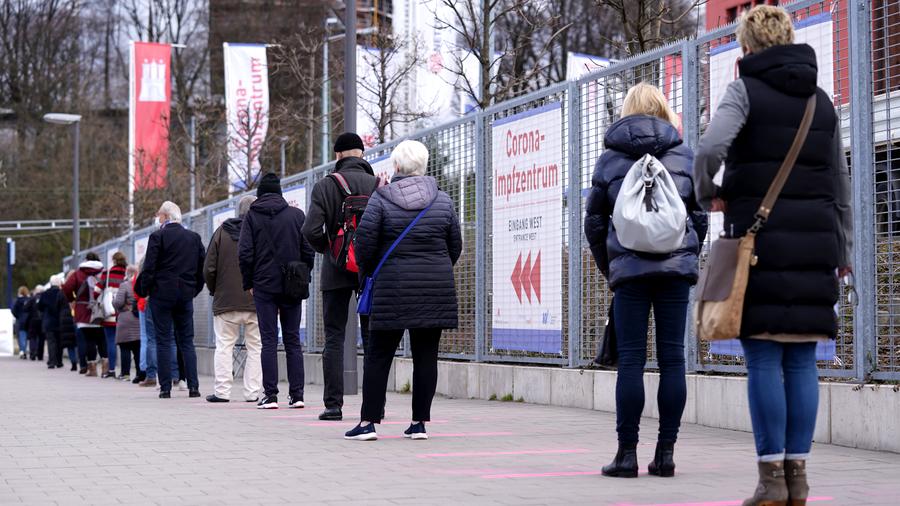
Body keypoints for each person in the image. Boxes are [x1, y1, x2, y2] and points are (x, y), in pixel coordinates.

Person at [693, 6, 852, 505]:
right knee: (803, 358)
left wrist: (708, 192)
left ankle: (770, 482)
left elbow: (707, 150)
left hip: (757, 245)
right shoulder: (822, 103)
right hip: (816, 246)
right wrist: (842, 249)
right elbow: (840, 184)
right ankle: (798, 480)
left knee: (763, 355)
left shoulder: (744, 91)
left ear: (746, 47)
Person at [584, 83, 707, 477]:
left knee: (632, 362)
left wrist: (612, 267)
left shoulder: (609, 160)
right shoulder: (685, 156)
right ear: (664, 110)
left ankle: (626, 455)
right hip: (674, 273)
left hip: (630, 275)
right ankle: (666, 454)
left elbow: (594, 222)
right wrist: (685, 253)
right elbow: (699, 217)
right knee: (673, 359)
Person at [344, 140, 462, 441]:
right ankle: (419, 424)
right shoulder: (444, 201)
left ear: (396, 166)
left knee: (379, 355)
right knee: (426, 356)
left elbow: (365, 246)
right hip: (434, 288)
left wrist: (372, 274)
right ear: (423, 166)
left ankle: (369, 423)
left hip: (392, 288)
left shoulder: (381, 200)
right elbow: (454, 247)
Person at [302, 132, 379, 421]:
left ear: (337, 156)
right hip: (370, 270)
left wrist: (331, 252)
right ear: (361, 153)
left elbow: (310, 230)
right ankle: (374, 405)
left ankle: (333, 405)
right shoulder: (378, 185)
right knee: (373, 338)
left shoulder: (325, 186)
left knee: (334, 337)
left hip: (335, 270)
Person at [239, 173, 315, 410]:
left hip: (263, 286)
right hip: (292, 285)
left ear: (260, 194)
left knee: (268, 340)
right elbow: (308, 250)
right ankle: (297, 395)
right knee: (293, 340)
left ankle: (270, 395)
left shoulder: (251, 217)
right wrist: (302, 274)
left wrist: (248, 282)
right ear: (280, 193)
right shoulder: (296, 215)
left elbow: (244, 253)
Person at [137, 201, 206, 399]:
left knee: (163, 340)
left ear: (166, 216)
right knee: (186, 341)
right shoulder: (193, 238)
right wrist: (194, 289)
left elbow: (149, 268)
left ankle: (166, 387)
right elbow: (201, 269)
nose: (158, 219)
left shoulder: (157, 237)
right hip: (185, 295)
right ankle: (194, 386)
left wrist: (146, 290)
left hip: (161, 295)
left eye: (159, 215)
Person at [205, 195, 262, 403]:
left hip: (226, 300)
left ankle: (222, 392)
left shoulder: (221, 232)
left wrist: (215, 290)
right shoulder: (260, 232)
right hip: (256, 300)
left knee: (224, 345)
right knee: (255, 347)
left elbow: (209, 267)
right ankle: (252, 392)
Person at [62, 253, 108, 376]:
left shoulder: (78, 273)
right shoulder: (104, 272)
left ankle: (92, 368)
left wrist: (72, 299)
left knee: (89, 340)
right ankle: (105, 368)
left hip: (83, 311)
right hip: (101, 310)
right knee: (102, 339)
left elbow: (66, 287)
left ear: (86, 260)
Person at [95, 252, 128, 378]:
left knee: (110, 341)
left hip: (109, 312)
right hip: (124, 313)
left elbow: (97, 290)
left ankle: (112, 369)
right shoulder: (126, 273)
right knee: (125, 344)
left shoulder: (107, 273)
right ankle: (125, 372)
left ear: (113, 260)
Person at [113, 265, 143, 382]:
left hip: (125, 320)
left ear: (128, 273)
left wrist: (113, 300)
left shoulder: (124, 285)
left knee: (125, 347)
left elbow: (118, 303)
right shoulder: (139, 284)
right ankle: (140, 373)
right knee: (137, 348)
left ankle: (125, 374)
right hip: (138, 319)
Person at [136, 259, 159, 387]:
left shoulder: (145, 263)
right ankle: (174, 375)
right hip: (166, 299)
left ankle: (149, 373)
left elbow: (137, 288)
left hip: (146, 302)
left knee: (148, 338)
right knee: (170, 339)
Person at [38, 275, 63, 369]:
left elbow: (39, 307)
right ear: (59, 284)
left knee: (51, 342)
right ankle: (59, 361)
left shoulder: (45, 294)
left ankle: (52, 361)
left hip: (48, 321)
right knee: (59, 341)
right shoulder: (62, 293)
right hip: (60, 320)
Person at [57, 283, 79, 371]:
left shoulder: (61, 292)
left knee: (70, 344)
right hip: (77, 317)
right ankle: (82, 362)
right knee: (79, 341)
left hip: (65, 319)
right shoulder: (78, 290)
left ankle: (73, 362)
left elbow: (57, 305)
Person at [25, 286, 45, 361]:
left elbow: (25, 308)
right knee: (41, 338)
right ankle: (40, 355)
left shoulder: (32, 299)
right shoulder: (44, 298)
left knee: (33, 337)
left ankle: (32, 354)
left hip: (33, 321)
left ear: (36, 291)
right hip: (42, 320)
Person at [12, 286, 30, 359]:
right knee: (26, 336)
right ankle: (25, 349)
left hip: (20, 320)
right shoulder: (29, 300)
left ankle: (22, 350)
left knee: (21, 336)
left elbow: (13, 311)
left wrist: (17, 316)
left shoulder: (17, 301)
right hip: (28, 320)